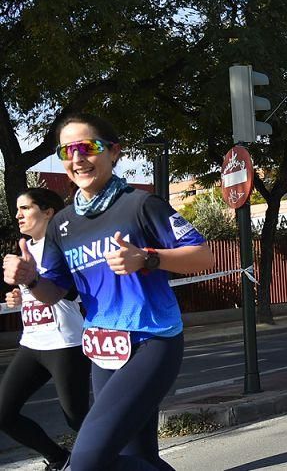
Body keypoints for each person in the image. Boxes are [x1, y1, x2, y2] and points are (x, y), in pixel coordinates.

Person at [3, 113, 214, 470]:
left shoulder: (141, 205)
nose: (78, 158)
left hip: (151, 341)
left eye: (88, 147)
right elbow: (55, 293)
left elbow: (204, 255)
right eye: (68, 151)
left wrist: (148, 258)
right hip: (102, 349)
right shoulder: (62, 224)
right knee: (137, 457)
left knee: (87, 462)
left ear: (113, 152)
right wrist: (31, 279)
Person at [0, 188, 89, 471]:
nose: (18, 215)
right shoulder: (27, 249)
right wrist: (17, 297)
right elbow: (32, 291)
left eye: (25, 208)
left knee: (77, 419)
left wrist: (30, 281)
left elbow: (62, 292)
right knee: (3, 413)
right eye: (17, 209)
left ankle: (119, 458)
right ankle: (59, 459)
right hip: (32, 344)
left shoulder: (66, 247)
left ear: (48, 212)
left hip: (65, 345)